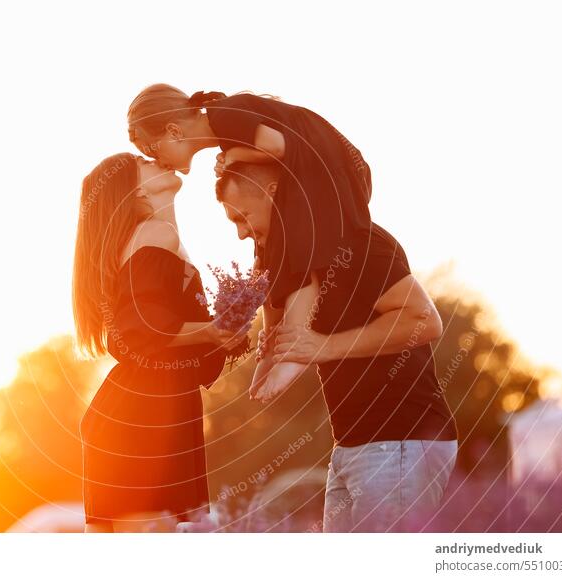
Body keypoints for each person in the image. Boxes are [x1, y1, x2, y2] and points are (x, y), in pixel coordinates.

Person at [215, 161, 459, 532]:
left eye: (243, 216)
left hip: (400, 439)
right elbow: (279, 354)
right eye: (232, 222)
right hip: (351, 445)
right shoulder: (301, 263)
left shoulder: (357, 241)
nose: (241, 234)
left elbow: (423, 320)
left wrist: (324, 346)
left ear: (274, 194)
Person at [128, 84, 374, 404]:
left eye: (155, 151)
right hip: (310, 173)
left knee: (300, 247)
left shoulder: (225, 116)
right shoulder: (223, 128)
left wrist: (235, 154)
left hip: (333, 169)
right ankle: (271, 343)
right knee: (266, 255)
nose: (160, 161)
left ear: (174, 131)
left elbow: (284, 146)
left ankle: (294, 348)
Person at [71, 153, 243, 532]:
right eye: (143, 162)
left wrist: (219, 335)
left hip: (143, 409)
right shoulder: (155, 235)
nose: (157, 160)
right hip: (148, 415)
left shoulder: (149, 237)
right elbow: (138, 330)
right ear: (132, 191)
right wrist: (213, 332)